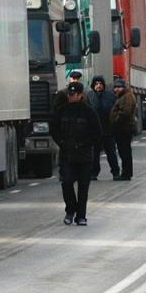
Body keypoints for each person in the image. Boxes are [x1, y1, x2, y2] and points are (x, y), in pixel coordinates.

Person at [50, 81, 101, 226]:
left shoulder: (89, 112)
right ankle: (70, 210)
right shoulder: (62, 111)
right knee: (66, 182)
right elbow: (54, 128)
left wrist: (86, 144)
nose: (70, 97)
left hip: (84, 155)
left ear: (80, 95)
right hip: (67, 154)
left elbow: (97, 133)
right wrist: (62, 142)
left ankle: (81, 216)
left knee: (83, 187)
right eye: (69, 94)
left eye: (73, 94)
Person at [85, 76, 120, 180]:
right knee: (94, 154)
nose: (98, 86)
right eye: (96, 84)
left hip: (108, 129)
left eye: (100, 83)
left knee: (111, 152)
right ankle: (93, 173)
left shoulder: (110, 96)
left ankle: (115, 172)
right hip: (94, 130)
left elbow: (115, 109)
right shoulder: (89, 96)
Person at [108, 78, 137, 181]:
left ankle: (126, 173)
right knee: (123, 151)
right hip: (122, 128)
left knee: (125, 152)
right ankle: (126, 172)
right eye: (115, 87)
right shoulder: (122, 97)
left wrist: (115, 120)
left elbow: (125, 112)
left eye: (119, 87)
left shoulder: (127, 97)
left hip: (124, 128)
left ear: (124, 88)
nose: (117, 89)